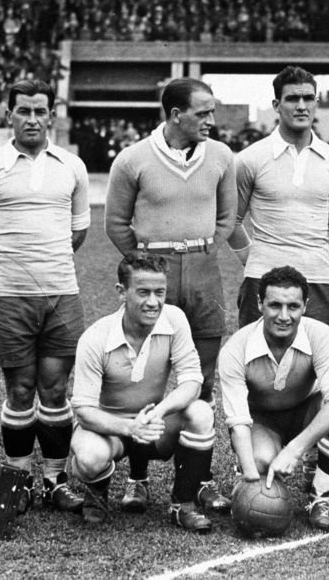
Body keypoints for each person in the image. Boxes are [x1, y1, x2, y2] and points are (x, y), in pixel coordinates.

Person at [0, 78, 88, 514]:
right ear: (8, 114)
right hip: (10, 295)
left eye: (40, 111)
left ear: (52, 115)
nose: (32, 119)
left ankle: (54, 478)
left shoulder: (71, 166)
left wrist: (48, 260)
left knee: (54, 389)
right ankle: (16, 478)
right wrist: (3, 261)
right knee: (20, 390)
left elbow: (80, 228)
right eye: (23, 111)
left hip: (61, 293)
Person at [104, 77, 235, 513]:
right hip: (154, 270)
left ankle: (198, 480)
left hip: (202, 270)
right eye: (203, 113)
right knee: (146, 377)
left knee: (205, 378)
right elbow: (116, 223)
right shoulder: (133, 158)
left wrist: (200, 253)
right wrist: (146, 268)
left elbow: (227, 218)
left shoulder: (220, 156)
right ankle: (138, 478)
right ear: (176, 115)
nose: (211, 121)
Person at [69, 254, 219, 532]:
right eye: (143, 292)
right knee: (89, 456)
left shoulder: (174, 319)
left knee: (200, 412)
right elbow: (84, 411)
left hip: (153, 421)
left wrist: (159, 411)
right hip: (110, 426)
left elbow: (192, 381)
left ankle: (182, 505)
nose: (153, 302)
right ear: (121, 292)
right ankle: (96, 494)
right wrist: (129, 427)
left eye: (159, 292)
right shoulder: (96, 337)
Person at [219, 266, 329, 531]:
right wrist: (250, 478)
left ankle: (321, 496)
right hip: (263, 419)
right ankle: (252, 468)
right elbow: (237, 422)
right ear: (260, 303)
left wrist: (293, 451)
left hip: (307, 411)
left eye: (293, 306)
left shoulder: (321, 334)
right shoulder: (236, 348)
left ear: (305, 306)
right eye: (275, 305)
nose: (284, 316)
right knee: (260, 460)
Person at [229, 65, 329, 329]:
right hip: (262, 276)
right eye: (293, 98)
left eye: (308, 98)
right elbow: (232, 221)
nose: (301, 106)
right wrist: (256, 259)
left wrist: (307, 253)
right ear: (276, 104)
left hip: (317, 277)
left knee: (317, 362)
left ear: (316, 103)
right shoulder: (251, 158)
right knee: (257, 360)